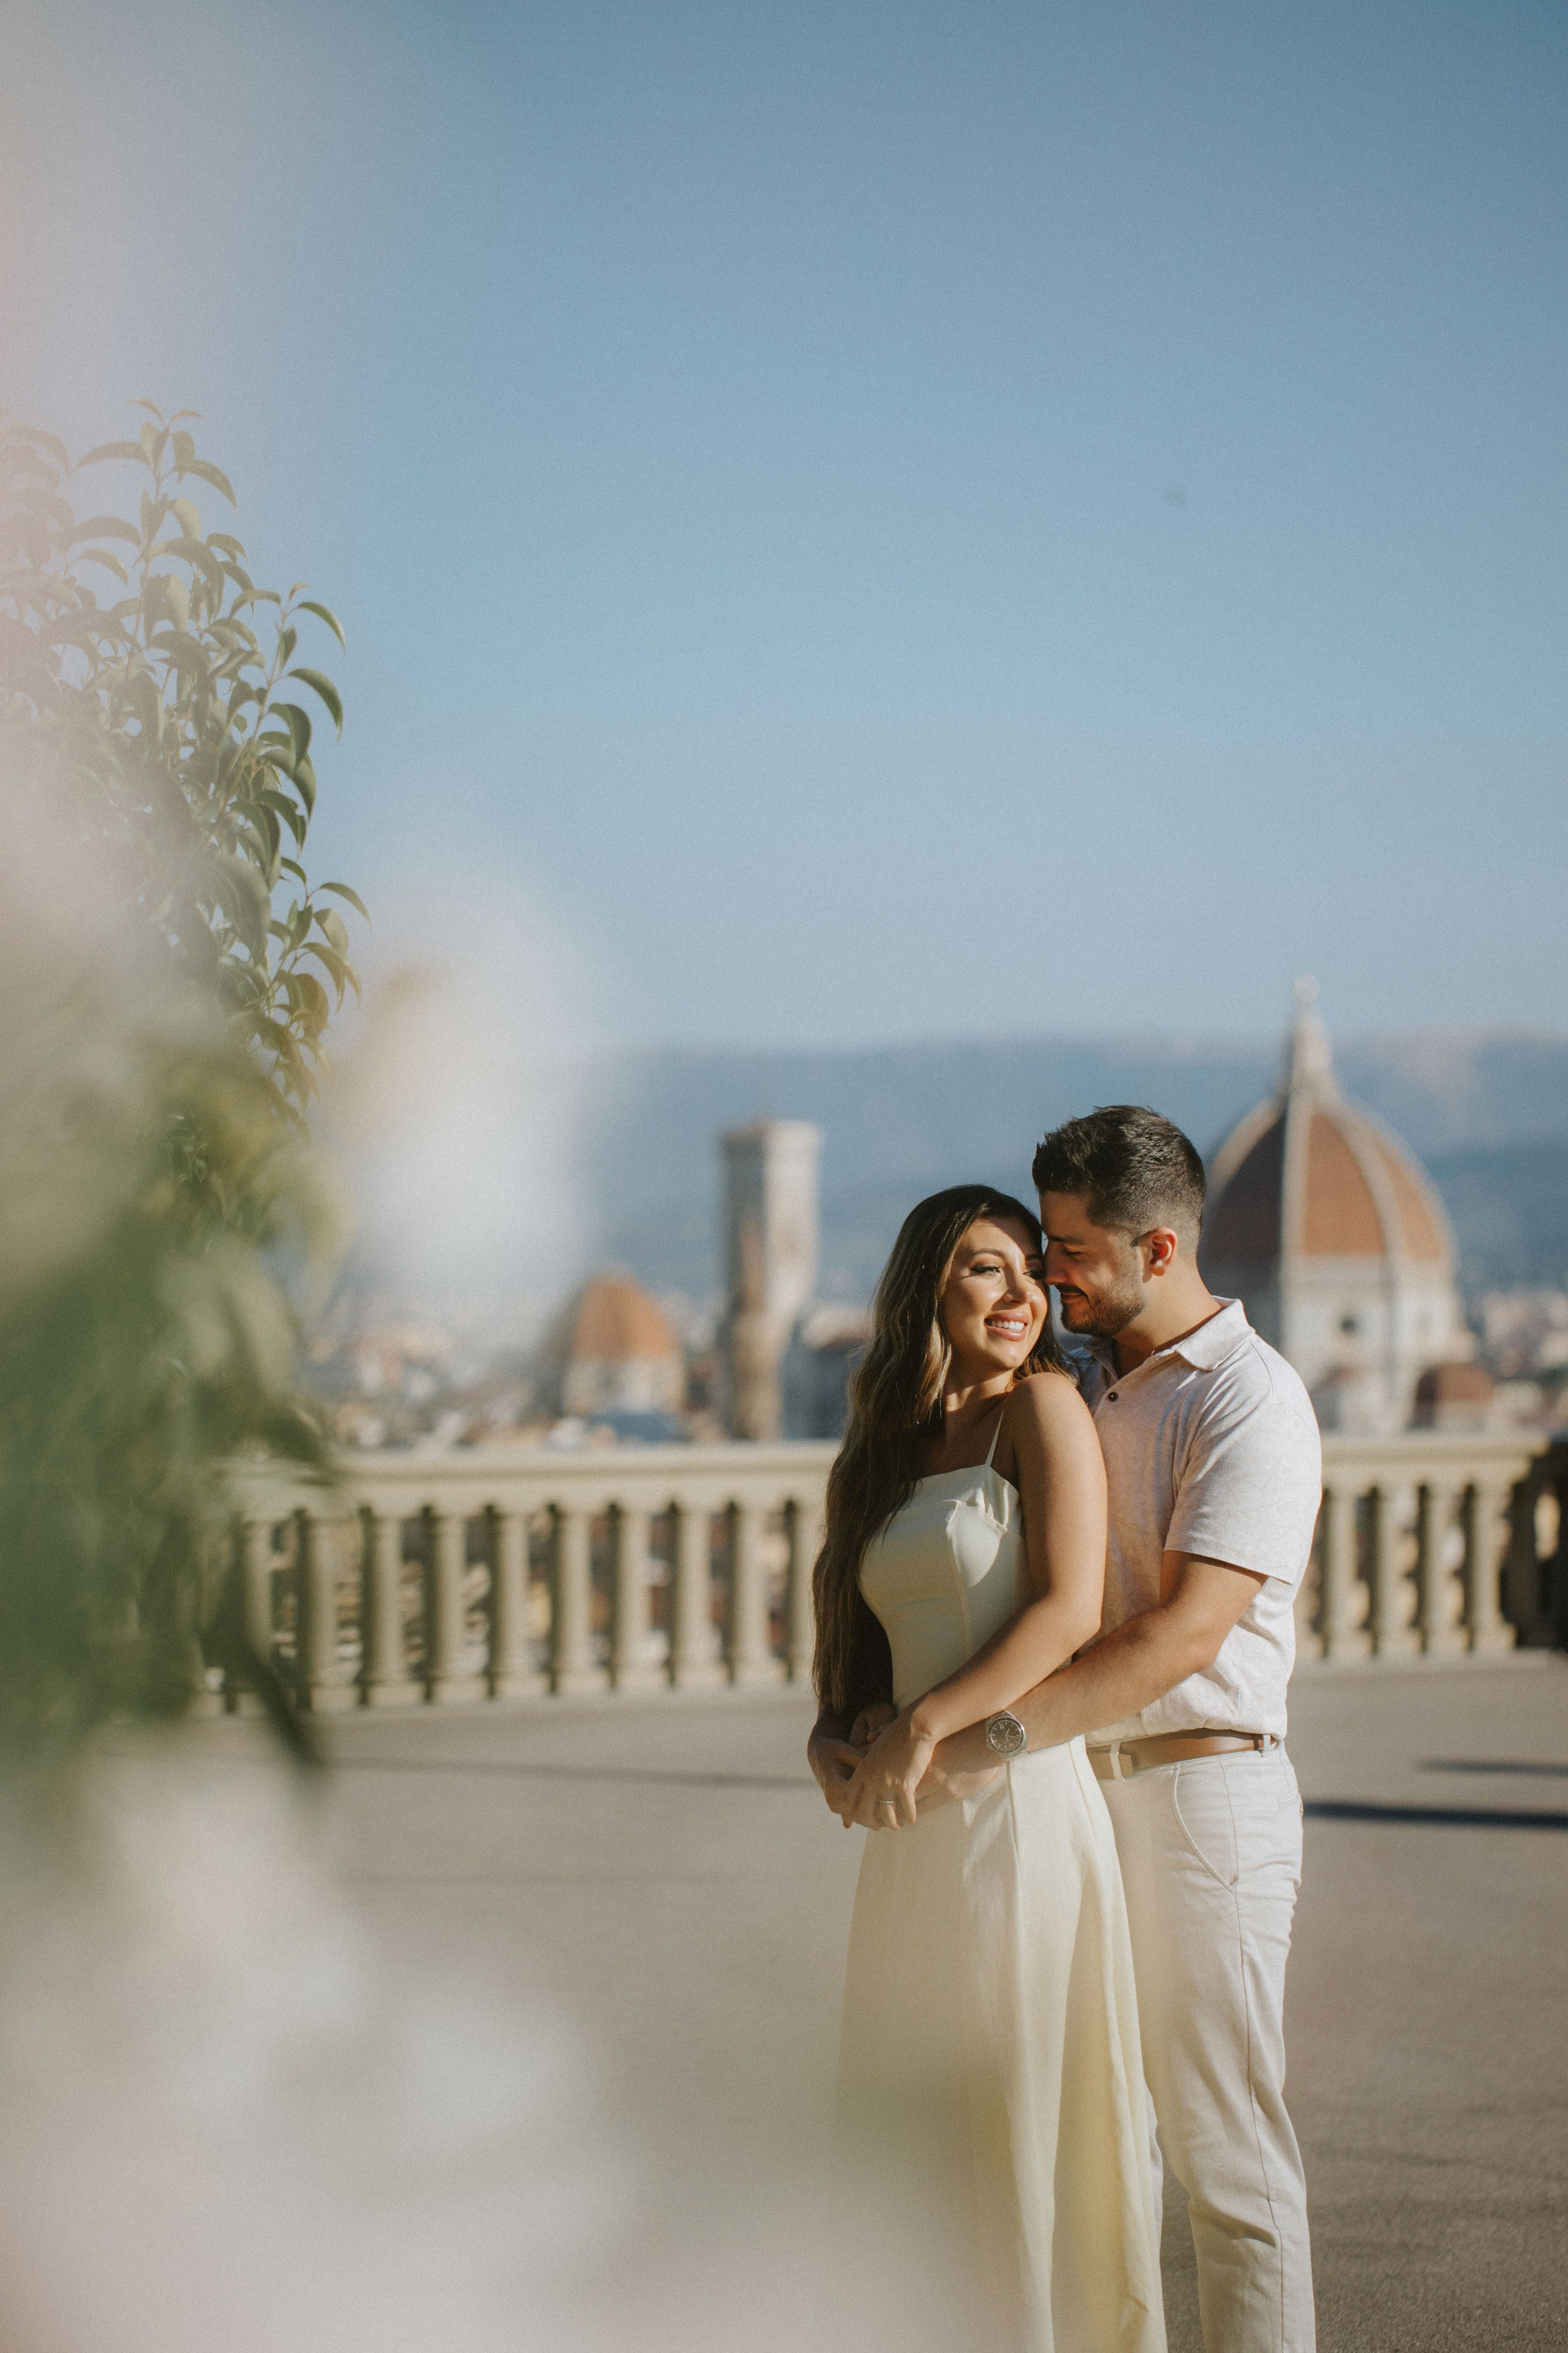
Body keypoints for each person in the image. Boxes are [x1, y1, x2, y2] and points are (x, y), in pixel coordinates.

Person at [849, 1109, 1322, 2353]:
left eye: (1068, 1250)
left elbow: (1178, 1637)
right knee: (1104, 2147)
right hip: (1072, 1795)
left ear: (1156, 1250)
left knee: (1226, 2162)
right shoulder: (1085, 1381)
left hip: (1194, 1792)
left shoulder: (1251, 1402)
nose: (1050, 1274)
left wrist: (976, 1742)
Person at [807, 1184, 1166, 2353]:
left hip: (1015, 1808)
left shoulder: (1043, 1409)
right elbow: (853, 1660)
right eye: (984, 1268)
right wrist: (839, 1738)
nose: (1020, 1294)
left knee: (1017, 2113)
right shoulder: (880, 1453)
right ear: (929, 1288)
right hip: (909, 1836)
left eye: (1029, 1269)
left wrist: (932, 1726)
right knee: (912, 2124)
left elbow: (1066, 1610)